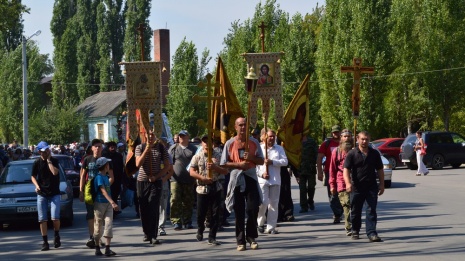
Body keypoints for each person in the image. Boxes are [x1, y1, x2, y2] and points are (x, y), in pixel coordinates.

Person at [221, 117, 264, 251]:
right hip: (237, 178)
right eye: (240, 125)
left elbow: (261, 161)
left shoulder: (254, 142)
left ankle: (251, 237)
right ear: (235, 127)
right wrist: (238, 164)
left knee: (252, 208)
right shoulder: (230, 143)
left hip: (250, 176)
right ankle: (240, 240)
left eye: (245, 125)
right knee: (239, 211)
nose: (243, 127)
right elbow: (224, 163)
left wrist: (251, 158)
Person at [343, 131, 384, 242]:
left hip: (371, 187)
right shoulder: (352, 154)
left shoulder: (374, 153)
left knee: (371, 210)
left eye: (366, 139)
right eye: (362, 139)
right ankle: (355, 230)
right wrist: (347, 183)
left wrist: (382, 184)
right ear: (357, 139)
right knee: (356, 210)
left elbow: (380, 169)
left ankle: (371, 233)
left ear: (369, 139)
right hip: (356, 187)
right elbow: (346, 169)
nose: (364, 141)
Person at [190, 134, 229, 245]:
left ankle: (212, 236)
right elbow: (191, 171)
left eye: (209, 141)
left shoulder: (219, 155)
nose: (207, 144)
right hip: (202, 187)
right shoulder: (198, 156)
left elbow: (226, 171)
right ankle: (200, 229)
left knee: (215, 213)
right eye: (204, 141)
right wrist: (202, 178)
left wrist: (215, 167)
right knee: (201, 213)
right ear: (202, 143)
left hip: (215, 187)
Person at [135, 130, 171, 245]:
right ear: (145, 135)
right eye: (148, 134)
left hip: (156, 181)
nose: (150, 137)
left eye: (153, 134)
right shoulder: (140, 147)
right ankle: (146, 232)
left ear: (155, 136)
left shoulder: (161, 147)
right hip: (142, 181)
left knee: (153, 206)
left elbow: (167, 166)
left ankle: (154, 235)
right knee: (144, 208)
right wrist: (146, 150)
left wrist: (157, 177)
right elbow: (138, 164)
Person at [79, 139, 112, 248]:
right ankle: (92, 237)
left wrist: (105, 185)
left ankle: (99, 238)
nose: (98, 148)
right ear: (92, 148)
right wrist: (81, 191)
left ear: (102, 148)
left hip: (102, 193)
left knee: (100, 216)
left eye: (100, 146)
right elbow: (83, 176)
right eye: (96, 146)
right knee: (90, 215)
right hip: (90, 192)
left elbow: (112, 177)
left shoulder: (105, 161)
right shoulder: (87, 160)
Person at [31, 141, 61, 251]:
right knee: (42, 219)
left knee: (55, 218)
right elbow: (33, 176)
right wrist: (36, 185)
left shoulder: (54, 161)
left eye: (47, 150)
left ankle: (56, 235)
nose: (47, 152)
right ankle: (45, 242)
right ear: (39, 152)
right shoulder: (37, 162)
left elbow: (55, 173)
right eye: (44, 151)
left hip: (54, 193)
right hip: (42, 193)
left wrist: (49, 161)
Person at [257, 129, 288, 234]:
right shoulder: (259, 149)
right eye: (270, 136)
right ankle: (260, 223)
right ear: (264, 137)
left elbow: (285, 162)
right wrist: (261, 174)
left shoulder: (279, 149)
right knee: (263, 203)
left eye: (273, 136)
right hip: (263, 180)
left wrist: (272, 162)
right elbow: (255, 165)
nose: (272, 138)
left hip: (275, 180)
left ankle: (271, 227)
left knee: (273, 204)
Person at [168, 130, 198, 230]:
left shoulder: (193, 149)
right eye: (180, 136)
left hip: (189, 179)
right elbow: (169, 162)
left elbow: (197, 162)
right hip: (175, 179)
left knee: (188, 201)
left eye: (183, 136)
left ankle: (187, 220)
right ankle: (176, 221)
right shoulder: (173, 148)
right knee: (175, 199)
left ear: (188, 137)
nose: (181, 138)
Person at [329, 129, 354, 236]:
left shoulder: (355, 151)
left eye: (349, 136)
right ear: (341, 138)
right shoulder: (336, 151)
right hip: (341, 182)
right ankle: (349, 226)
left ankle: (355, 224)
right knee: (346, 204)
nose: (347, 138)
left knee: (355, 205)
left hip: (355, 182)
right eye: (345, 136)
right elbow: (332, 169)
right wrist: (332, 184)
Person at [317, 125, 344, 223]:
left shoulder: (344, 143)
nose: (336, 134)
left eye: (337, 132)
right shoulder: (326, 144)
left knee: (343, 193)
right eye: (334, 132)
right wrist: (319, 172)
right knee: (332, 194)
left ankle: (340, 211)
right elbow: (319, 157)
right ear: (332, 133)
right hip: (330, 172)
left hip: (342, 173)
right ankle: (337, 213)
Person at [93, 157, 119, 256]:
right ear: (105, 166)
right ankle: (97, 247)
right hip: (99, 204)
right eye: (108, 164)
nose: (109, 166)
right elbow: (103, 191)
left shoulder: (105, 176)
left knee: (108, 224)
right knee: (98, 226)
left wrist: (110, 203)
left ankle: (107, 249)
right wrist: (113, 202)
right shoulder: (99, 177)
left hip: (107, 204)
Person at [295, 135, 318, 213]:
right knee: (302, 189)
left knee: (311, 186)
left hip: (310, 168)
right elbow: (293, 156)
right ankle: (303, 206)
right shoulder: (296, 141)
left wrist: (317, 164)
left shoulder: (311, 141)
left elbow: (317, 154)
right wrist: (292, 169)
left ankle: (310, 200)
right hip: (300, 169)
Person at [102, 141, 125, 217]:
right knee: (108, 194)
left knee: (115, 195)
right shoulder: (105, 156)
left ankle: (114, 211)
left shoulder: (118, 156)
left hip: (117, 179)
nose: (113, 148)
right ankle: (109, 211)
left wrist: (122, 178)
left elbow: (121, 167)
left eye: (114, 146)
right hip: (107, 178)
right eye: (111, 147)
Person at [158, 137, 174, 236]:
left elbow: (171, 171)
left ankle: (161, 227)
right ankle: (151, 226)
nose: (162, 146)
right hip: (152, 183)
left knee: (163, 205)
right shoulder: (151, 154)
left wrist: (164, 179)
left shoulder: (167, 156)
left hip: (163, 183)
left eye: (164, 144)